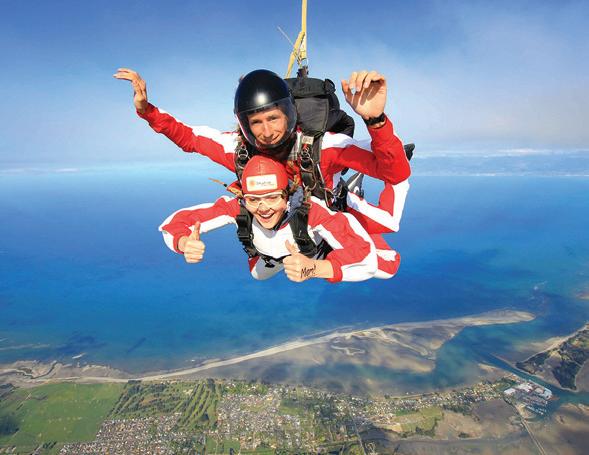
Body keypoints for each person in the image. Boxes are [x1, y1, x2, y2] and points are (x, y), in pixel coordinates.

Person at [114, 68, 411, 236]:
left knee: (389, 224)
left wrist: (376, 121)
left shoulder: (324, 148)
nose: (267, 131)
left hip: (325, 205)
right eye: (256, 122)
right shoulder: (237, 148)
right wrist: (147, 110)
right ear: (244, 124)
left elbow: (394, 173)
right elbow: (189, 137)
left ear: (289, 114)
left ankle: (350, 191)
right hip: (279, 214)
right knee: (263, 258)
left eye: (273, 118)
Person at [159, 155, 400, 283]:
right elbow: (174, 224)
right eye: (254, 199)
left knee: (388, 267)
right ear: (244, 197)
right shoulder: (237, 208)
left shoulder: (311, 211)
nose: (263, 208)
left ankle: (377, 190)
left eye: (272, 197)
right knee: (257, 275)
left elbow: (364, 256)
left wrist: (314, 269)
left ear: (287, 195)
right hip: (273, 258)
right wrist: (184, 243)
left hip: (315, 253)